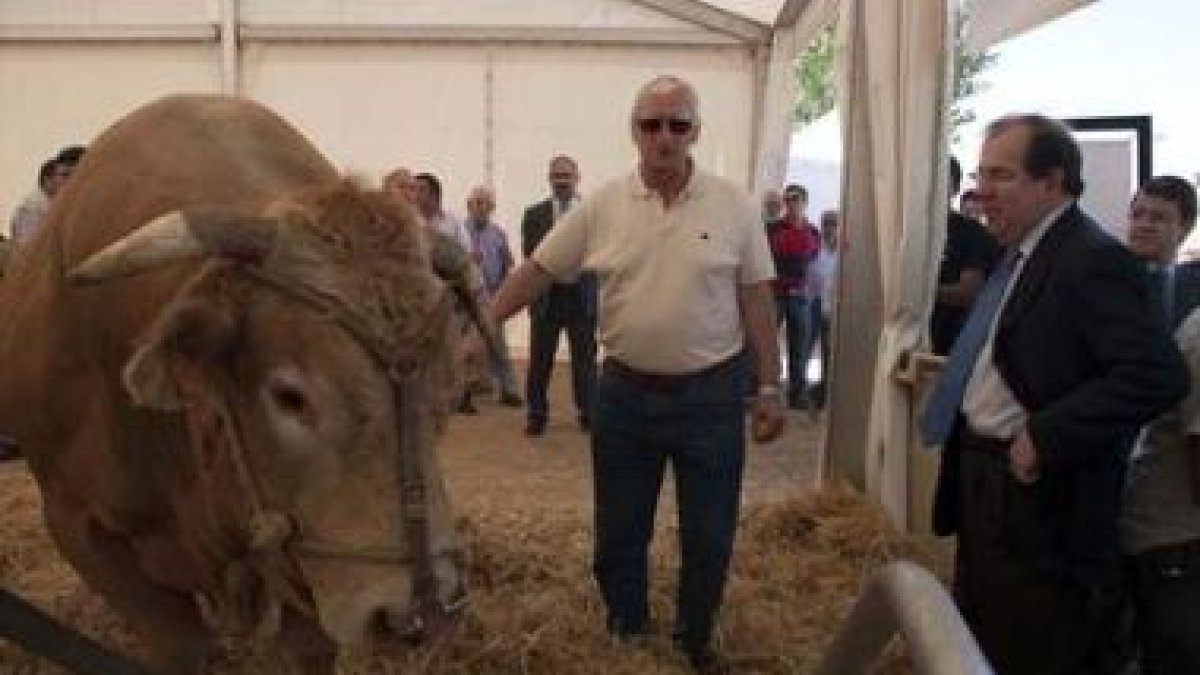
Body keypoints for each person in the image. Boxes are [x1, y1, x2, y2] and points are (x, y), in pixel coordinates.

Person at [492, 75, 784, 673]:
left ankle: (694, 640)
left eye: (678, 124)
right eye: (652, 124)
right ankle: (626, 638)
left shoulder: (734, 205)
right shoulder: (602, 205)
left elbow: (758, 299)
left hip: (712, 397)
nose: (664, 136)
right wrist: (478, 325)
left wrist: (772, 386)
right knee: (620, 533)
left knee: (709, 534)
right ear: (634, 132)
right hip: (623, 395)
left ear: (696, 131)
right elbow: (537, 271)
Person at [920, 114, 1187, 675]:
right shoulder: (1023, 252)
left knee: (1034, 645)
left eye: (1002, 176)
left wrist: (1049, 433)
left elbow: (1156, 373)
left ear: (1052, 182)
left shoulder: (1091, 258)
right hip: (987, 484)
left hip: (1039, 503)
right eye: (980, 174)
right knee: (984, 636)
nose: (981, 191)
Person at [1119, 176, 1200, 675]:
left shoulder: (1192, 291)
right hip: (1121, 461)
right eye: (1139, 213)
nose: (1145, 224)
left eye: (1159, 217)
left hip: (1165, 451)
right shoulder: (1105, 281)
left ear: (1184, 227)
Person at [518, 155, 597, 436]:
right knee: (540, 360)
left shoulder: (592, 212)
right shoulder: (534, 215)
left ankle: (589, 413)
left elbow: (599, 252)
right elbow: (530, 256)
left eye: (566, 175)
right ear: (549, 178)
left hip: (581, 296)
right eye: (557, 175)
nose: (562, 181)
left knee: (585, 361)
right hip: (546, 298)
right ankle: (536, 415)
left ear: (577, 177)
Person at [930, 156, 1000, 355]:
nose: (930, 190)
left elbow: (967, 293)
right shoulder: (903, 233)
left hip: (945, 349)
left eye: (941, 183)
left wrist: (916, 294)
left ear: (954, 189)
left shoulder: (972, 233)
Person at [465, 185, 523, 407]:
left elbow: (508, 261)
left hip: (491, 296)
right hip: (465, 296)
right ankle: (464, 395)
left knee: (498, 345)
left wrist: (508, 275)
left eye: (485, 203)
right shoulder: (461, 231)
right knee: (466, 345)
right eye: (476, 203)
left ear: (492, 208)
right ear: (469, 206)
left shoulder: (498, 234)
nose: (480, 208)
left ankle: (508, 390)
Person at [767, 184, 820, 409]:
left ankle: (797, 394)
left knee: (800, 347)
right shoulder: (772, 228)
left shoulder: (813, 232)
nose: (791, 204)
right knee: (767, 344)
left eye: (796, 199)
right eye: (788, 200)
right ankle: (763, 390)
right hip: (775, 295)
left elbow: (813, 258)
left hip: (799, 297)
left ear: (804, 202)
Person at [9, 145, 83, 243]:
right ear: (48, 179)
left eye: (77, 176)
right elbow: (28, 250)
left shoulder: (61, 205)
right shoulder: (32, 209)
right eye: (65, 175)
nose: (72, 181)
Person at [806, 209, 840, 410]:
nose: (828, 227)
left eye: (832, 223)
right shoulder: (814, 246)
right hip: (812, 303)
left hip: (832, 307)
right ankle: (801, 391)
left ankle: (824, 392)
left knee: (829, 352)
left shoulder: (845, 252)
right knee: (805, 349)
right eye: (825, 223)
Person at [412, 172, 472, 252]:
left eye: (421, 190)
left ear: (434, 195)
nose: (415, 194)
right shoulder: (410, 222)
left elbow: (466, 250)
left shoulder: (453, 222)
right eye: (413, 189)